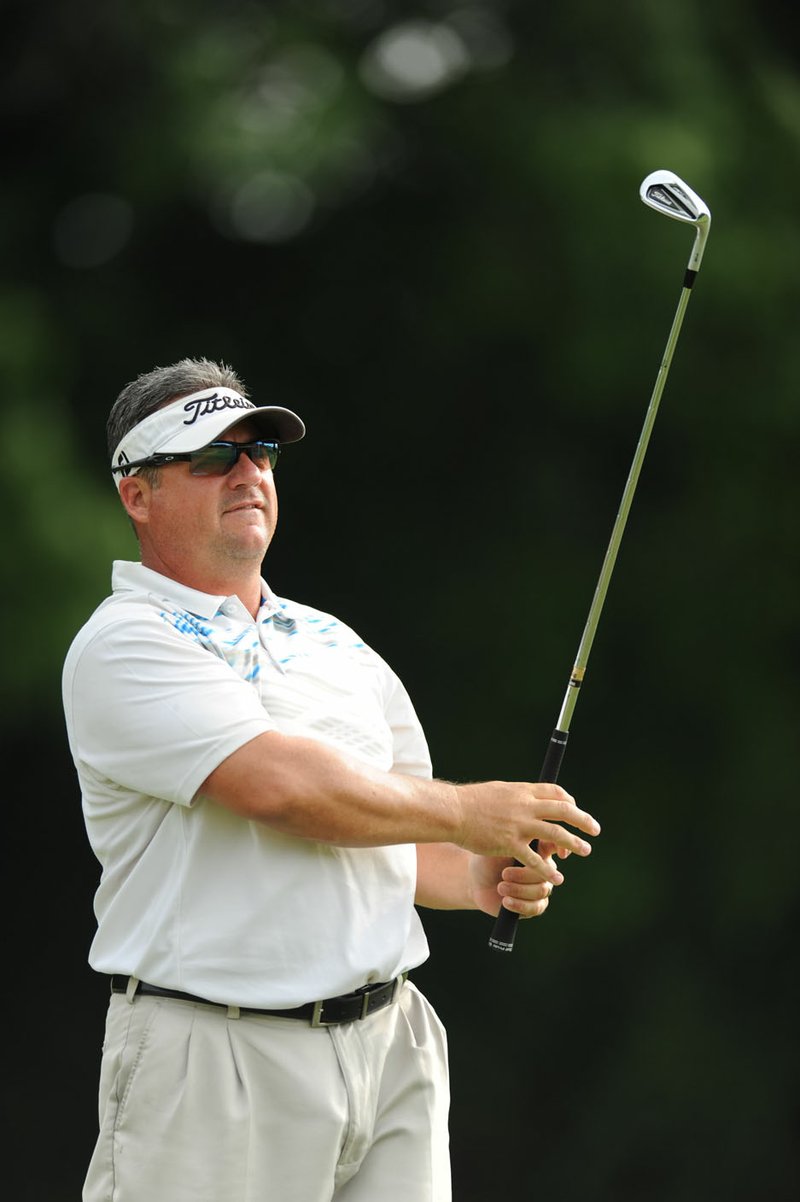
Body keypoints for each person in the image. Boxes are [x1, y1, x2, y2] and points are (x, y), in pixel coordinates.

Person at [62, 357, 601, 1202]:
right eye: (211, 455)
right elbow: (286, 789)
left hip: (391, 1048)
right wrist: (470, 813)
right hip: (215, 1060)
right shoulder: (122, 643)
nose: (248, 472)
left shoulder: (334, 643)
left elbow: (401, 835)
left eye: (263, 450)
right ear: (138, 491)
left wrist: (476, 876)